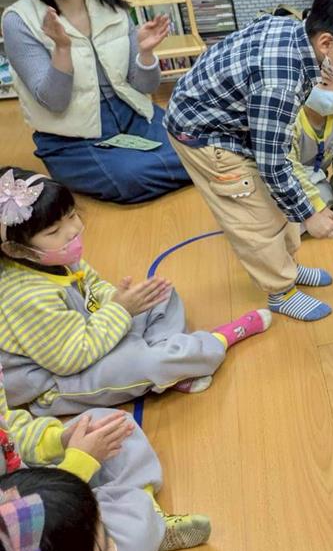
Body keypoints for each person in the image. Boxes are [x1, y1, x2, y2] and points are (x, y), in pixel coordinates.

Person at [165, 0, 333, 323]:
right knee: (255, 217)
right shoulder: (280, 83)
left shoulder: (297, 32)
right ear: (326, 43)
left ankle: (289, 266)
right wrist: (310, 214)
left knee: (278, 202)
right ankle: (280, 291)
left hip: (234, 121)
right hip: (204, 134)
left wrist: (301, 208)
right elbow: (273, 165)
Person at [0, 168, 271, 415]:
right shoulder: (27, 297)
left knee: (160, 295)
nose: (73, 231)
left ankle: (170, 367)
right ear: (16, 250)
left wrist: (117, 300)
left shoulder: (54, 256)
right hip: (57, 380)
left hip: (90, 333)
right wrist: (121, 309)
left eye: (72, 215)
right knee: (143, 363)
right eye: (54, 231)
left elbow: (93, 286)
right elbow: (71, 359)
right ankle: (211, 344)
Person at [0, 0, 191, 205]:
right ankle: (184, 166)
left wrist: (145, 54)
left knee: (199, 141)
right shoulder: (18, 20)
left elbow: (144, 87)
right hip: (72, 137)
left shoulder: (113, 9)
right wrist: (62, 49)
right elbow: (54, 102)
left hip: (131, 114)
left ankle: (181, 161)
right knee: (130, 176)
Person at [0, 396, 210, 551]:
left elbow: (12, 431)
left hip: (36, 483)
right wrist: (79, 463)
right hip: (34, 531)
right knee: (136, 540)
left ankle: (148, 516)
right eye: (105, 548)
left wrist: (59, 439)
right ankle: (149, 522)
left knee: (114, 425)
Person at [287, 52, 333, 219]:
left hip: (316, 180)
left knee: (328, 197)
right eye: (324, 83)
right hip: (285, 179)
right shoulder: (291, 114)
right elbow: (288, 166)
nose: (331, 94)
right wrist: (317, 208)